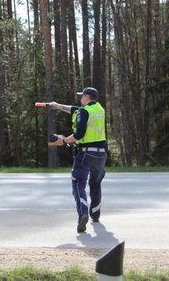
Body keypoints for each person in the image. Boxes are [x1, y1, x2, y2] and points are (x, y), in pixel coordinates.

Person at [48, 87, 107, 233]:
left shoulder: (84, 111)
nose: (80, 99)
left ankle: (83, 214)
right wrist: (59, 106)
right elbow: (75, 109)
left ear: (87, 97)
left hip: (86, 153)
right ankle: (95, 214)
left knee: (78, 183)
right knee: (95, 183)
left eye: (82, 96)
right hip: (101, 154)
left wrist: (63, 141)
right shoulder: (100, 109)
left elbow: (79, 134)